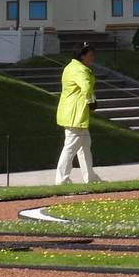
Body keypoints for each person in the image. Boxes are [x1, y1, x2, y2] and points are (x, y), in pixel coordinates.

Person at [54, 43, 101, 185]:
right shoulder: (80, 70)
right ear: (82, 56)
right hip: (75, 113)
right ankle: (61, 179)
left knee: (84, 145)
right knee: (71, 147)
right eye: (90, 55)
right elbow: (86, 88)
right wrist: (92, 102)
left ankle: (90, 177)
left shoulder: (71, 67)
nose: (92, 58)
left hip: (71, 111)